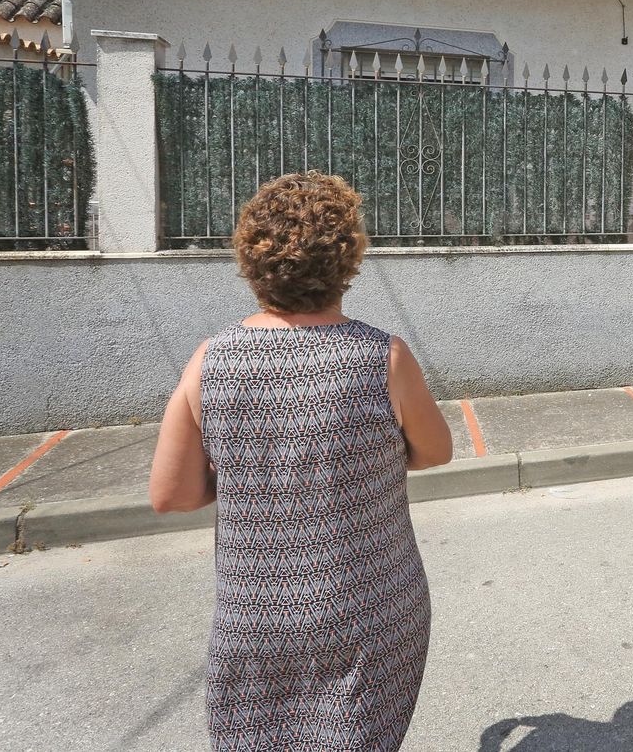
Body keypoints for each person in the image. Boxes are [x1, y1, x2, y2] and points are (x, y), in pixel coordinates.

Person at [149, 171, 452, 751]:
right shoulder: (382, 357)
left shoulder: (209, 361)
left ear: (251, 259)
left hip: (256, 619)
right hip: (372, 610)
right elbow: (436, 451)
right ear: (347, 260)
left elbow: (172, 494)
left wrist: (255, 468)